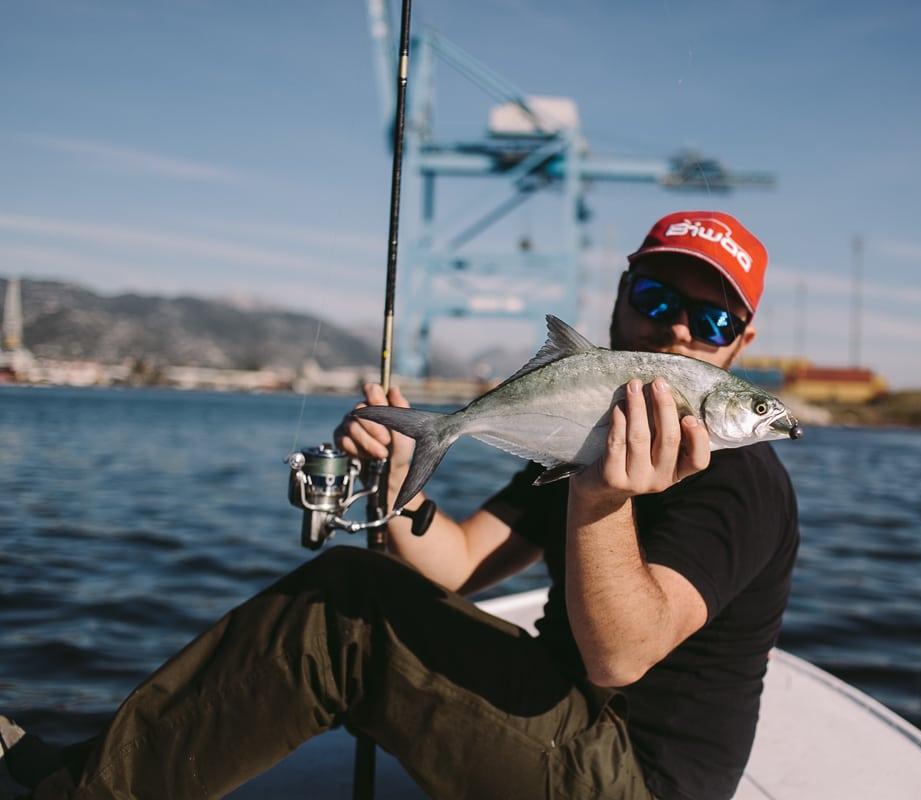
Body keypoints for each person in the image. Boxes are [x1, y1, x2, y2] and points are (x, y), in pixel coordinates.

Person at [1, 211, 798, 800]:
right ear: (623, 298)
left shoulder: (742, 482)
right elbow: (463, 563)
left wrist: (598, 500)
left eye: (713, 317)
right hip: (555, 718)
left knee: (346, 611)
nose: (679, 332)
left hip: (634, 779)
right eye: (658, 297)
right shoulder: (580, 429)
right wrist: (400, 487)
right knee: (357, 581)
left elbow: (620, 658)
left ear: (739, 348)